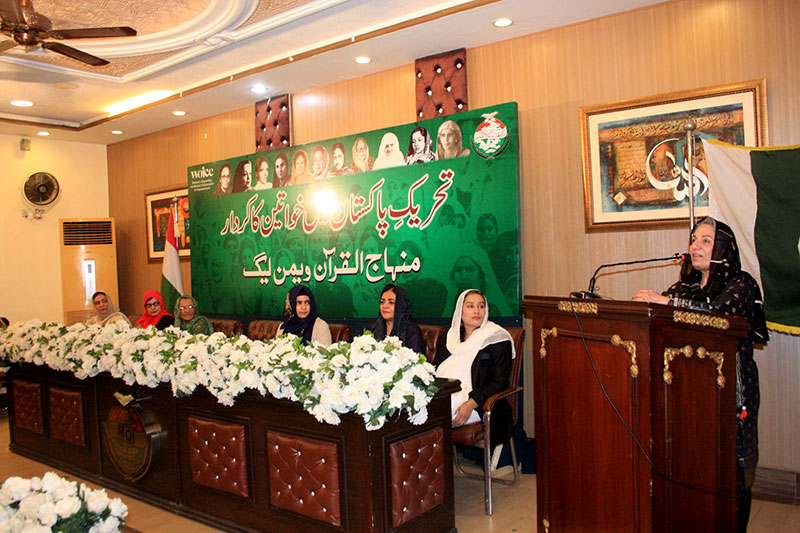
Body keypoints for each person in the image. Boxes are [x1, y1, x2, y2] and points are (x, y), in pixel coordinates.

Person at [633, 217, 769, 532]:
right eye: (694, 239)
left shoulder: (742, 284)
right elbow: (657, 318)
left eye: (705, 240)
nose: (695, 245)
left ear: (724, 248)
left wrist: (664, 302)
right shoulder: (685, 286)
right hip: (684, 392)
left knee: (730, 471)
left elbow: (718, 317)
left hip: (731, 393)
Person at [434, 289, 515, 446]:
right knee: (419, 407)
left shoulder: (497, 337)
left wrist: (471, 403)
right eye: (470, 306)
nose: (477, 311)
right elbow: (436, 370)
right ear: (460, 311)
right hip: (448, 392)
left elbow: (499, 381)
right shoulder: (451, 337)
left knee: (429, 414)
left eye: (481, 306)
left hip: (478, 403)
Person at [368, 284, 426, 354]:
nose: (385, 306)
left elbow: (416, 360)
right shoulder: (372, 328)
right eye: (382, 302)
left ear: (401, 306)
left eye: (391, 302)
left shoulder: (411, 331)